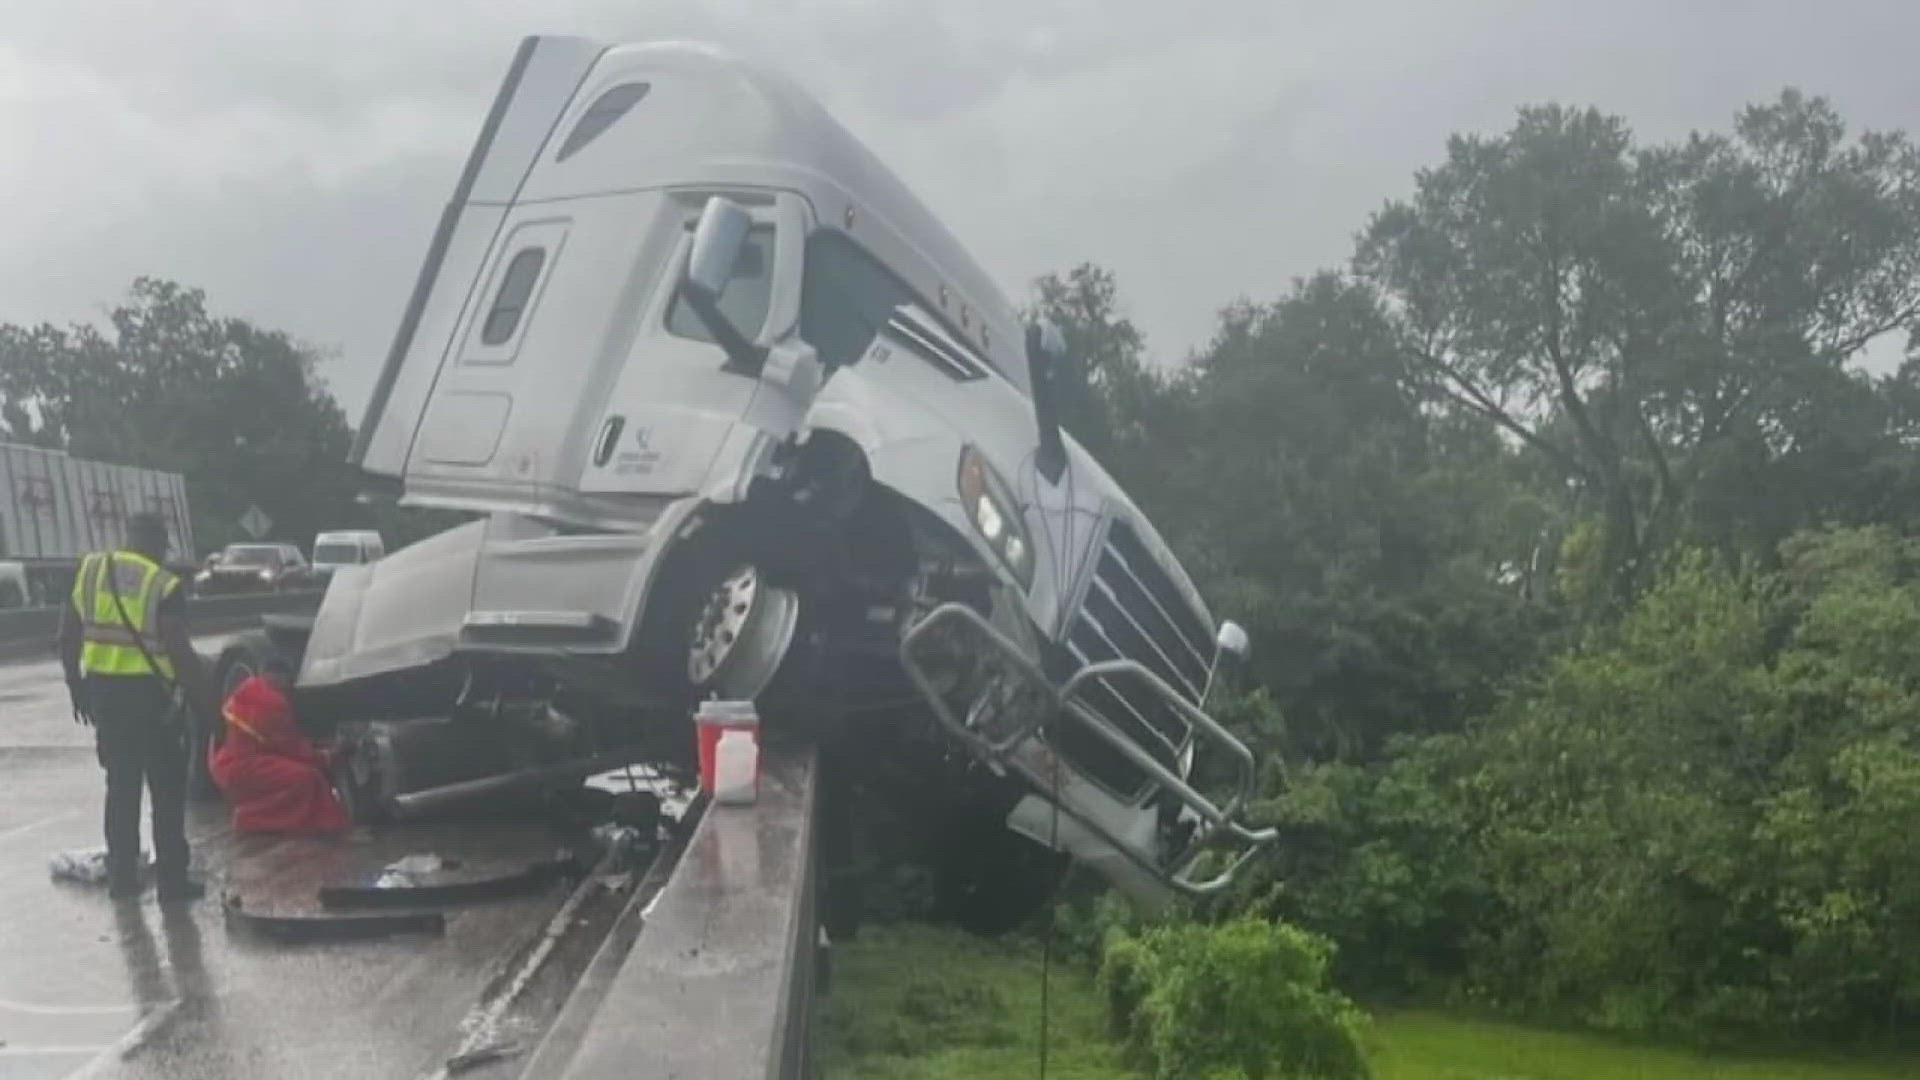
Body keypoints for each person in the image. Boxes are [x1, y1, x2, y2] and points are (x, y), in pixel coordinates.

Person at [59, 512, 215, 901]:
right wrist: (207, 710)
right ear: (160, 545)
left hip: (106, 698)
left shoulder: (91, 569)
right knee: (166, 790)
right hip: (153, 701)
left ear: (129, 537)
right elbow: (179, 651)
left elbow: (67, 634)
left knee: (121, 788)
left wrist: (75, 685)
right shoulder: (163, 584)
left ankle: (122, 881)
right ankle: (172, 884)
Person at [210, 668, 349, 836]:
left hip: (225, 763)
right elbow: (291, 748)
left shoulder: (249, 687)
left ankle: (252, 817)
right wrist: (325, 757)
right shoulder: (273, 703)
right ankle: (259, 820)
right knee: (308, 777)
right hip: (243, 766)